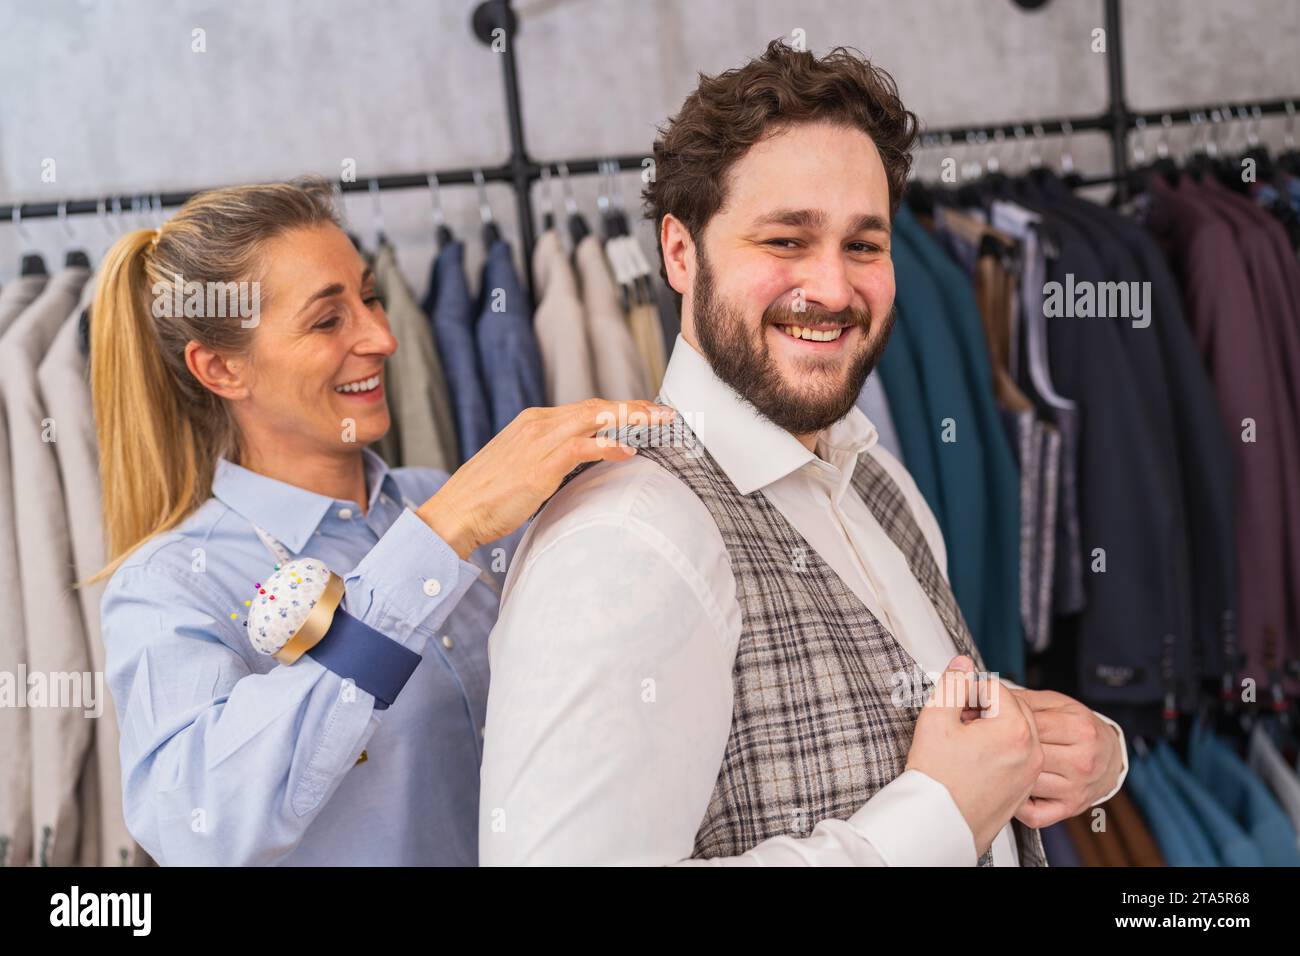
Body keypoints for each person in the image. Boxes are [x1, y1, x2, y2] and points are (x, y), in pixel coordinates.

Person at [478, 41, 1127, 866]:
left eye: (863, 245)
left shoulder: (876, 478)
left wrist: (1080, 752)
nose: (831, 288)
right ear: (680, 252)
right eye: (786, 241)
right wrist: (934, 817)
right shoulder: (623, 543)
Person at [92, 177, 674, 865]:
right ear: (221, 369)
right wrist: (438, 538)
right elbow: (201, 825)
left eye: (369, 297)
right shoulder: (171, 584)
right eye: (328, 320)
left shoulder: (453, 505)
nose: (384, 336)